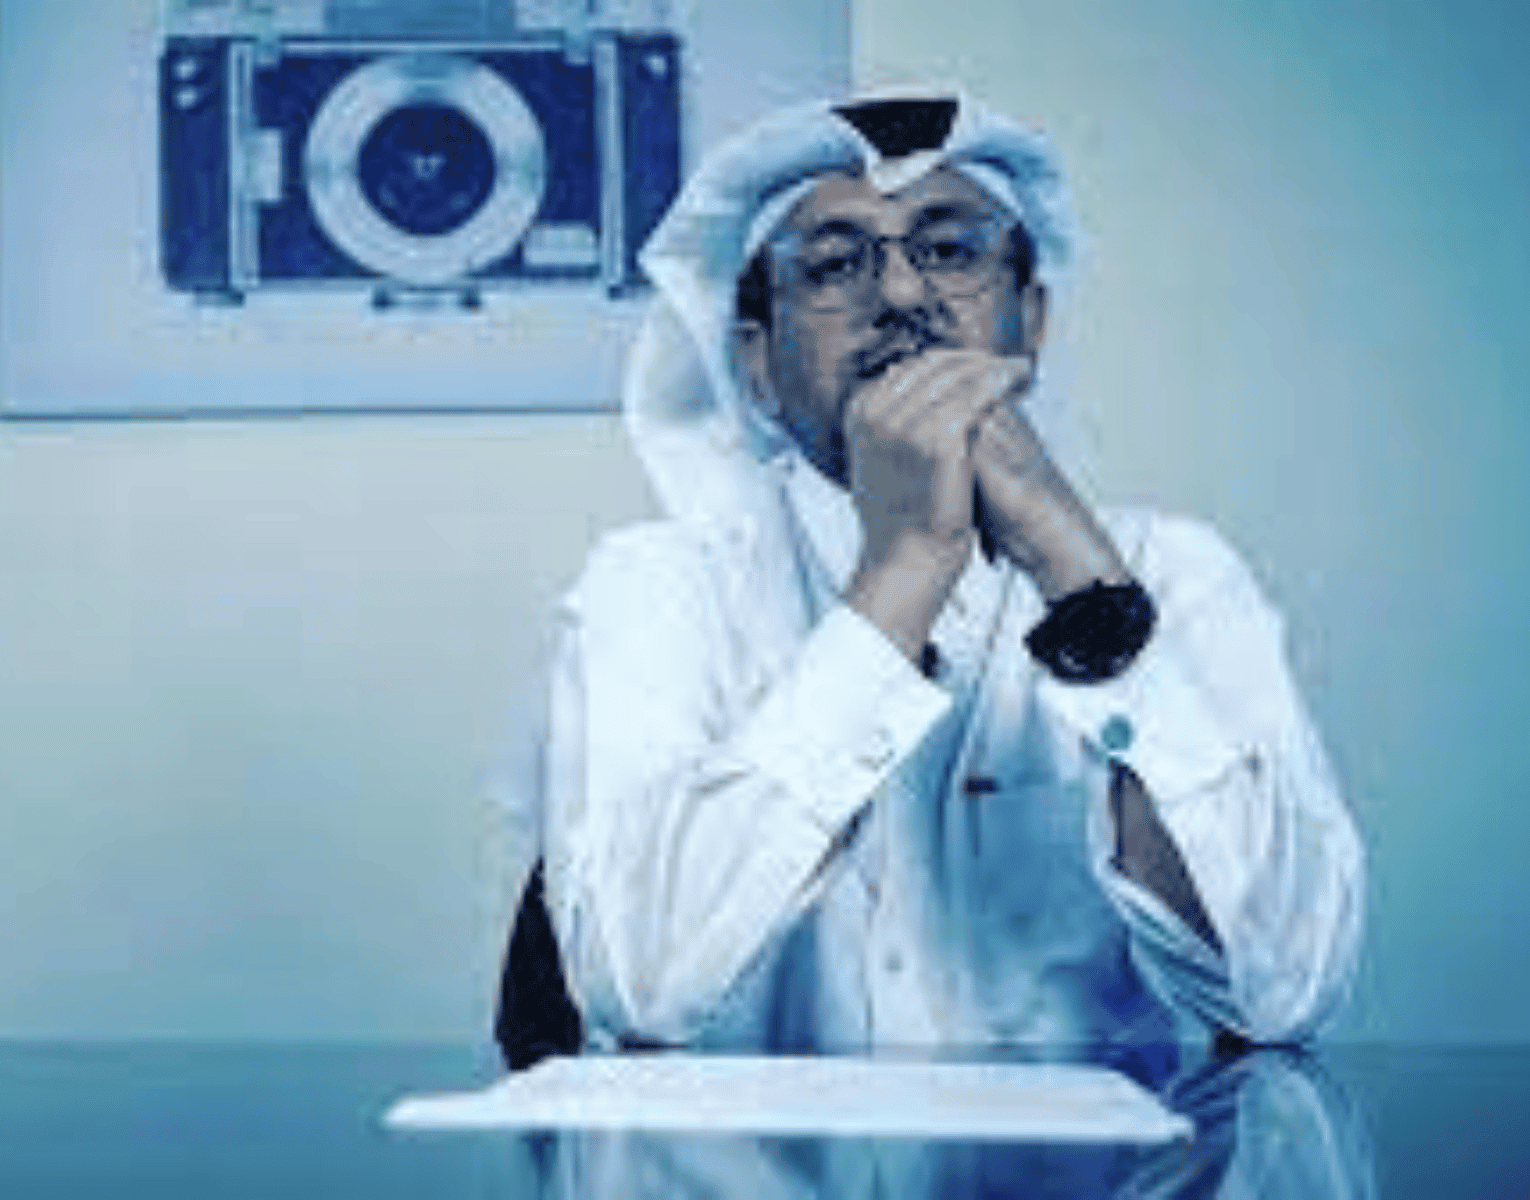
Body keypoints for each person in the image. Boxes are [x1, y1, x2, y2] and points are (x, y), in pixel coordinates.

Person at [500, 91, 1364, 1057]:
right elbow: (638, 986)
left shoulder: (1178, 572)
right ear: (756, 363)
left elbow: (1284, 990)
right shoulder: (658, 588)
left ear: (1029, 323)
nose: (905, 297)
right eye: (834, 265)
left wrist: (1085, 591)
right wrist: (904, 567)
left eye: (951, 251)